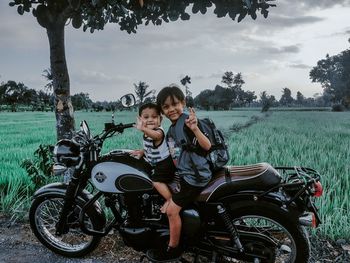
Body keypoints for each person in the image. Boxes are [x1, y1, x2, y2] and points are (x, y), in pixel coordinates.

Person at [147, 85, 212, 262]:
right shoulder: (172, 128)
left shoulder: (186, 122)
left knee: (172, 211)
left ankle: (173, 248)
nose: (171, 109)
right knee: (157, 181)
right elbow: (172, 152)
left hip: (195, 178)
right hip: (186, 173)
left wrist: (195, 128)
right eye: (166, 107)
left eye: (175, 104)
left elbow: (206, 146)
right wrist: (142, 152)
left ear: (183, 103)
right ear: (162, 110)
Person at [131, 102, 176, 213]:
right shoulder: (148, 133)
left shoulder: (158, 131)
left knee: (156, 182)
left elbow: (156, 137)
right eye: (146, 117)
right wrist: (143, 152)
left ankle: (170, 200)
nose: (150, 119)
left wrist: (143, 129)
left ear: (160, 119)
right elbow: (151, 147)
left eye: (154, 117)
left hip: (166, 163)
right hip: (157, 162)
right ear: (140, 118)